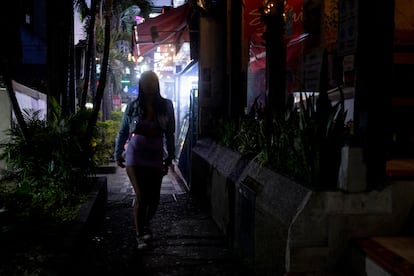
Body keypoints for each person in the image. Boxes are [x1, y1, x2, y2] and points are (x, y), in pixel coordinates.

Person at [114, 70, 175, 250]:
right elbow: (124, 131)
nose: (149, 85)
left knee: (154, 198)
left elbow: (170, 133)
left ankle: (145, 223)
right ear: (141, 85)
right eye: (146, 82)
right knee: (141, 195)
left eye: (152, 81)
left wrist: (170, 156)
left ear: (157, 84)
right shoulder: (133, 106)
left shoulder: (166, 105)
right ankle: (140, 234)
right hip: (135, 154)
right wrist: (118, 153)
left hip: (155, 155)